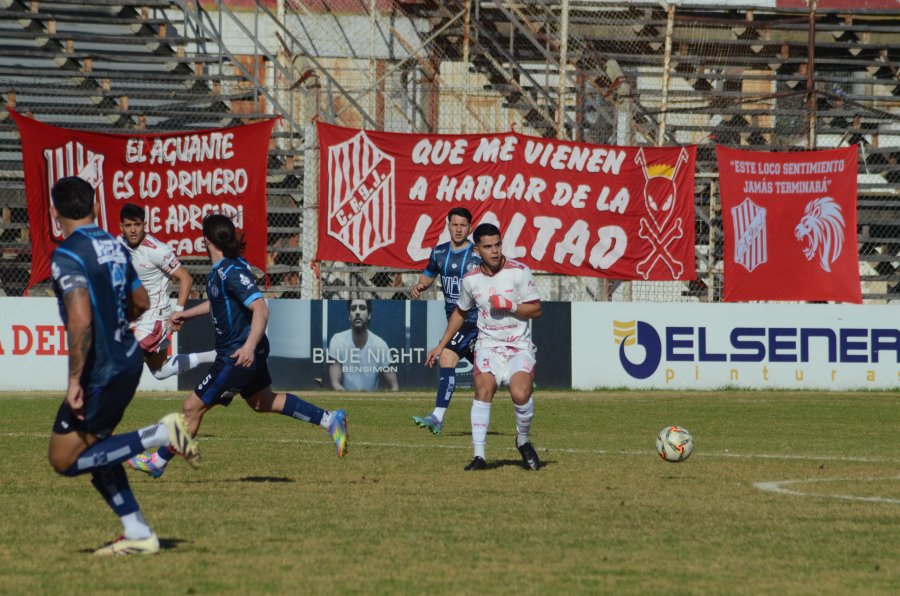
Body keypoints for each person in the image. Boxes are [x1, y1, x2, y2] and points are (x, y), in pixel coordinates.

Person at [128, 214, 348, 478]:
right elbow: (218, 303)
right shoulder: (222, 271)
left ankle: (158, 461)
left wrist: (248, 347)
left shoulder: (229, 272)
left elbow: (260, 309)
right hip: (242, 352)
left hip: (236, 355)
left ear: (205, 240)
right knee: (261, 401)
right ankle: (329, 419)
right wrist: (187, 314)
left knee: (191, 407)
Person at [46, 176, 199, 556]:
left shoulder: (68, 255)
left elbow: (80, 320)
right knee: (100, 447)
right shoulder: (114, 246)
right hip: (128, 358)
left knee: (63, 459)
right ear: (96, 208)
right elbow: (141, 301)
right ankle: (137, 532)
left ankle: (160, 434)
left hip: (103, 369)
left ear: (54, 212)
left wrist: (75, 379)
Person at [426, 223, 542, 471]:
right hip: (487, 345)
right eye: (488, 247)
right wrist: (441, 345)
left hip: (518, 345)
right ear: (477, 250)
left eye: (498, 244)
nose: (495, 251)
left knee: (520, 394)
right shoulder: (471, 280)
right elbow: (460, 312)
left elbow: (536, 309)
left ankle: (522, 440)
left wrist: (510, 305)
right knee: (483, 391)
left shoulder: (519, 272)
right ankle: (479, 456)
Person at [118, 203, 216, 380]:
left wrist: (178, 313)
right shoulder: (117, 246)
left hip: (154, 316)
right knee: (160, 372)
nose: (133, 230)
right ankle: (214, 356)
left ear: (144, 225)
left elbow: (185, 278)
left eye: (137, 225)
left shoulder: (157, 250)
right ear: (121, 227)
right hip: (133, 315)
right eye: (128, 225)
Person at [410, 207, 480, 434]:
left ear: (470, 228)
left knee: (447, 358)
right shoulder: (439, 253)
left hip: (474, 321)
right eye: (455, 224)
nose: (459, 229)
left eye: (463, 225)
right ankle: (517, 375)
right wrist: (420, 286)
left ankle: (437, 417)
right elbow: (428, 275)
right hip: (454, 321)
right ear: (448, 225)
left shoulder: (477, 255)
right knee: (487, 369)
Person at [327, 299, 399, 392]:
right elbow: (335, 383)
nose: (357, 312)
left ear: (369, 315)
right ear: (349, 316)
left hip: (373, 403)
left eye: (362, 308)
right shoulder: (338, 340)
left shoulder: (380, 345)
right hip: (346, 400)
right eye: (353, 308)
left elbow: (394, 386)